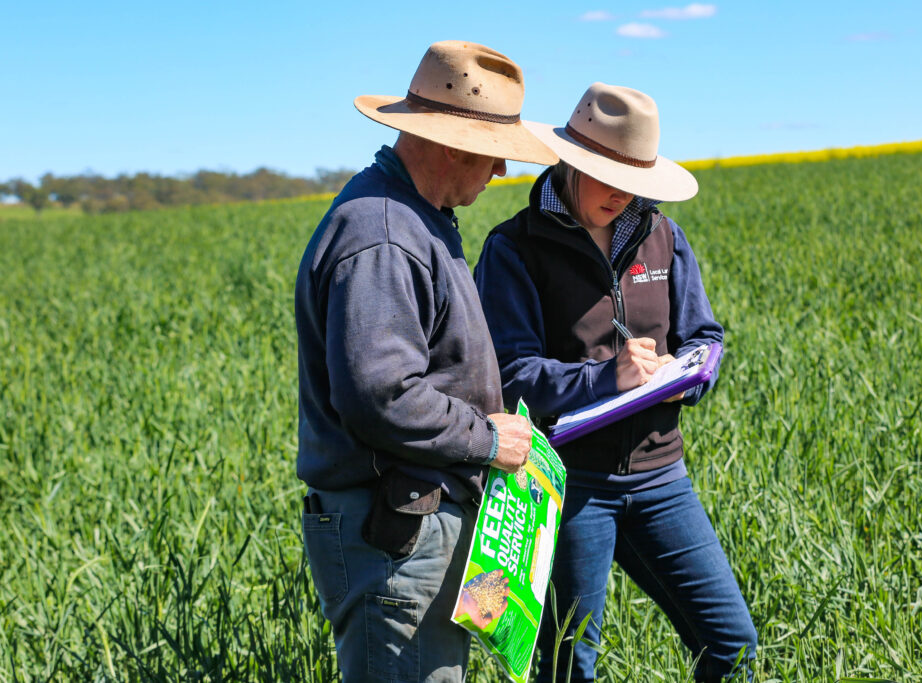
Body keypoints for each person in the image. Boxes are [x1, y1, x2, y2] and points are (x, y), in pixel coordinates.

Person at [473, 83, 757, 682]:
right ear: (570, 160)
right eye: (605, 174)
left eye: (633, 179)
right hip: (567, 488)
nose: (620, 193)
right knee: (569, 664)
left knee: (731, 646)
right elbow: (511, 375)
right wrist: (610, 376)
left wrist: (690, 375)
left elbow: (704, 334)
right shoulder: (514, 249)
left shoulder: (664, 237)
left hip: (662, 477)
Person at [294, 40, 558, 682]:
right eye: (495, 152)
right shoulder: (384, 234)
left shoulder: (415, 216)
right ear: (450, 144)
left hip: (408, 523)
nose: (499, 172)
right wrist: (488, 436)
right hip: (394, 533)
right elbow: (382, 394)